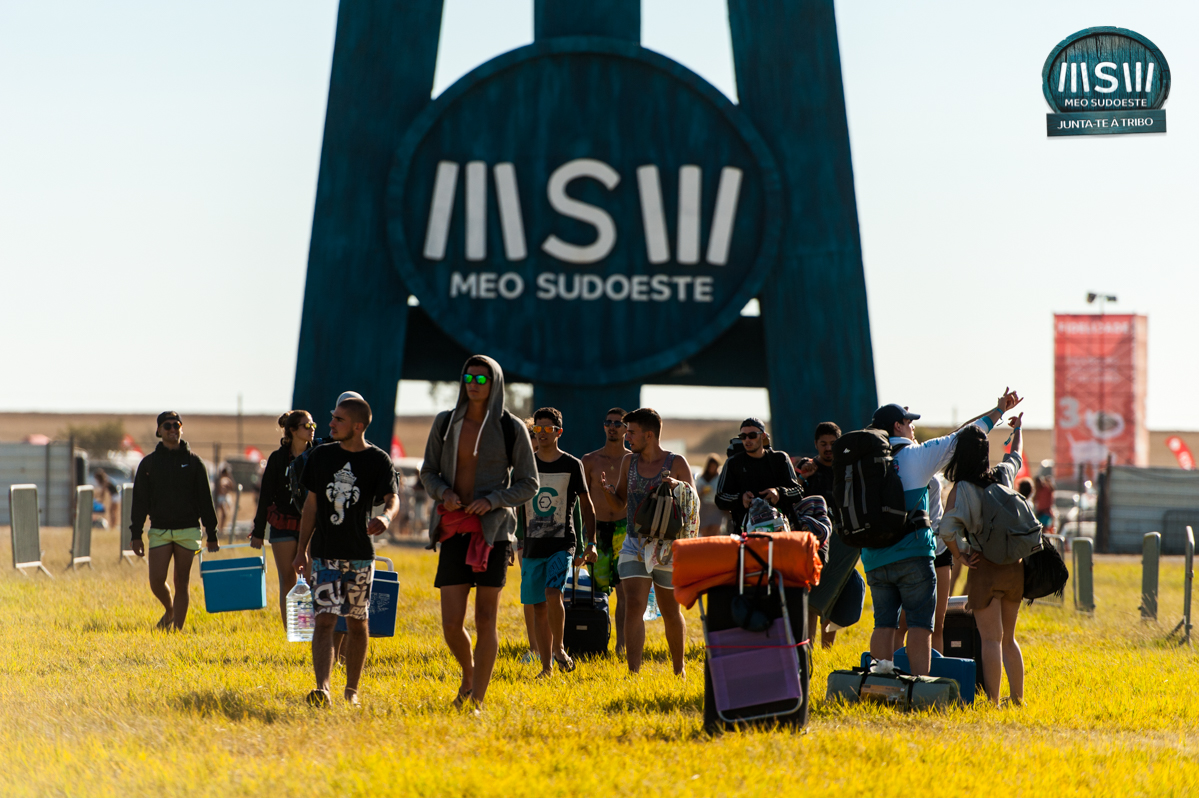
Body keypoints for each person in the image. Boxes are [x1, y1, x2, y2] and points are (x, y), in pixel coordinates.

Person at [863, 391, 1021, 676]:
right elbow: (964, 437)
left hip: (874, 556)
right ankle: (918, 684)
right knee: (922, 626)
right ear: (898, 426)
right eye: (908, 422)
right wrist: (998, 412)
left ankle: (879, 683)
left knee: (883, 625)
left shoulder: (867, 463)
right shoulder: (915, 456)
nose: (912, 426)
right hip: (912, 554)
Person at [421, 355, 539, 711]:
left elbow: (529, 482)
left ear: (495, 384)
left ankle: (477, 700)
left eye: (482, 379)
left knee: (486, 618)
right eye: (468, 377)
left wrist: (494, 501)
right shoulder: (445, 423)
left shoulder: (511, 427)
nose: (473, 383)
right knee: (451, 625)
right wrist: (445, 493)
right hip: (454, 529)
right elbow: (428, 471)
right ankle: (469, 675)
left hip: (494, 534)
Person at [293, 396, 399, 707]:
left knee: (356, 621)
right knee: (324, 619)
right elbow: (311, 505)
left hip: (360, 556)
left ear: (357, 426)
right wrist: (302, 550)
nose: (330, 424)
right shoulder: (321, 456)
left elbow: (392, 498)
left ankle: (351, 691)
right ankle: (322, 688)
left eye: (338, 419)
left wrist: (386, 517)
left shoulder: (378, 460)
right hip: (325, 553)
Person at [598, 407, 695, 676]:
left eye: (632, 432)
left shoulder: (676, 463)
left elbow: (693, 503)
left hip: (666, 546)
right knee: (633, 605)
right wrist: (608, 493)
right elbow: (620, 503)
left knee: (669, 611)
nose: (626, 437)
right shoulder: (629, 463)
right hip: (634, 544)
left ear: (649, 435)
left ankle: (679, 669)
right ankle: (634, 673)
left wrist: (677, 485)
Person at [940, 413, 1028, 706]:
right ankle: (1017, 699)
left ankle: (992, 700)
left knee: (990, 639)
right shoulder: (1003, 474)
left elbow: (947, 528)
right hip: (1014, 567)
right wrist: (1017, 429)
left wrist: (960, 555)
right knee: (1009, 639)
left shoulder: (961, 489)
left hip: (983, 567)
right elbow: (1016, 454)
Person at [519, 407, 597, 678]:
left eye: (546, 429)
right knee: (538, 606)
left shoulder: (572, 464)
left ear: (558, 432)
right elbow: (516, 503)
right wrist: (515, 540)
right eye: (536, 429)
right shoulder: (525, 462)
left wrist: (592, 543)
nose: (540, 434)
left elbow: (586, 506)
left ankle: (560, 648)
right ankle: (546, 667)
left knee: (553, 594)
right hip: (531, 545)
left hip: (562, 543)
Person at [128, 412, 220, 631]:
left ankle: (177, 629)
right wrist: (135, 534)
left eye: (176, 425)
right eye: (167, 426)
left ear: (181, 428)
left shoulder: (195, 462)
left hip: (188, 530)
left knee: (182, 581)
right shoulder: (149, 464)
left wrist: (212, 534)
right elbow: (139, 501)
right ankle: (170, 610)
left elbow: (206, 500)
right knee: (157, 581)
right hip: (159, 529)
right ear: (159, 431)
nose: (172, 429)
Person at [251, 409, 316, 627]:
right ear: (292, 430)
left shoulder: (318, 455)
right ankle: (292, 631)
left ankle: (307, 627)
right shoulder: (278, 459)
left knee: (308, 579)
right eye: (307, 426)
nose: (312, 429)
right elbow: (265, 496)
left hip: (311, 524)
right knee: (288, 579)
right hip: (282, 523)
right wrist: (258, 531)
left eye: (313, 425)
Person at [582, 407, 632, 656]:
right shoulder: (589, 460)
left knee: (624, 589)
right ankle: (595, 639)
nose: (612, 426)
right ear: (604, 427)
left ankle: (621, 645)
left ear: (626, 429)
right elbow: (578, 500)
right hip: (596, 529)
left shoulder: (632, 460)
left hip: (623, 529)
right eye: (608, 422)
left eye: (618, 423)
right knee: (596, 589)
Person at [714, 418, 803, 533]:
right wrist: (741, 499)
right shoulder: (733, 463)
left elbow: (798, 491)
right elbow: (720, 498)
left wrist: (778, 493)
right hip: (745, 532)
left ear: (763, 436)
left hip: (779, 529)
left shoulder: (780, 459)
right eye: (743, 436)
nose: (747, 440)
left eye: (752, 435)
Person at [695, 455, 726, 537]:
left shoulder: (720, 478)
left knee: (715, 531)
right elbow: (696, 494)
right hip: (705, 507)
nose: (712, 468)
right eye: (711, 466)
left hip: (716, 507)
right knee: (705, 532)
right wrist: (702, 491)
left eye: (714, 466)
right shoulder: (702, 478)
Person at [215, 466, 236, 533]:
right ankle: (221, 528)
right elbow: (220, 489)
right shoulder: (220, 479)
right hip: (221, 497)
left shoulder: (227, 479)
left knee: (228, 513)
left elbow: (233, 487)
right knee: (224, 513)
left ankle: (222, 528)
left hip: (226, 497)